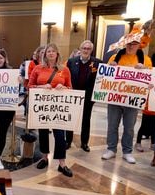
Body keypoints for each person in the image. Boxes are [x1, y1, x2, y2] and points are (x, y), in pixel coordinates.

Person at [101, 34, 152, 164]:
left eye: (133, 44)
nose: (130, 46)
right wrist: (110, 67)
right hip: (115, 98)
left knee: (129, 127)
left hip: (132, 99)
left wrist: (144, 69)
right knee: (112, 125)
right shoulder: (114, 57)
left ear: (139, 45)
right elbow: (104, 76)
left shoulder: (145, 60)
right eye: (128, 43)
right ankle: (111, 149)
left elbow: (150, 79)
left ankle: (127, 151)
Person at [29, 43, 73, 177]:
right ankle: (44, 157)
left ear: (57, 54)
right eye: (49, 51)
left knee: (60, 134)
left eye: (53, 51)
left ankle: (62, 163)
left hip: (58, 108)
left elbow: (70, 88)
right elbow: (30, 86)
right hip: (42, 106)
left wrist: (63, 87)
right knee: (42, 132)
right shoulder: (37, 68)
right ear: (44, 54)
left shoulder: (64, 70)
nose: (51, 53)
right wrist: (41, 87)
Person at [65, 40, 101, 152]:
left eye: (88, 49)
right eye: (84, 48)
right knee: (70, 119)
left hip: (88, 96)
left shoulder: (98, 63)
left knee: (86, 120)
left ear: (91, 50)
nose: (86, 50)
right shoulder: (71, 61)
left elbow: (103, 78)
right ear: (80, 49)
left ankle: (84, 143)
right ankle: (68, 141)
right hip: (73, 95)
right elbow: (66, 77)